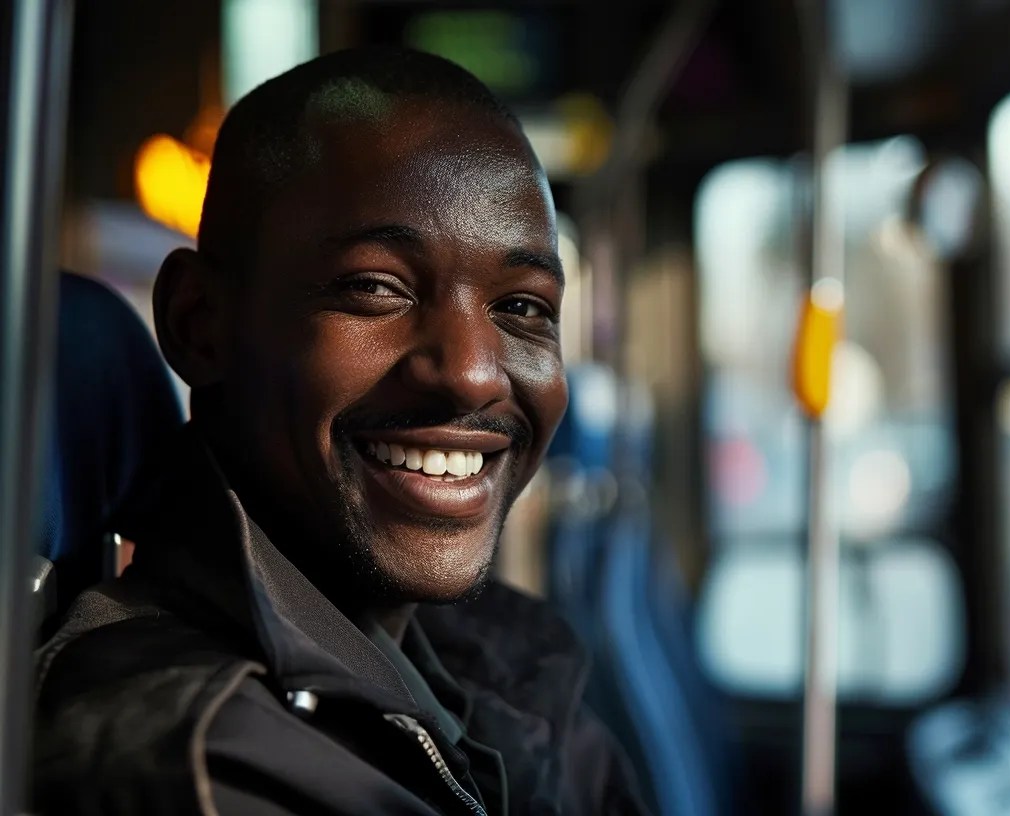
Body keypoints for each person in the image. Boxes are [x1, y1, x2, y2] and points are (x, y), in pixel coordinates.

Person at [31, 47, 647, 816]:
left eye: (522, 307)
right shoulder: (203, 758)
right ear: (200, 326)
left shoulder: (495, 666)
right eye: (374, 288)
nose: (473, 374)